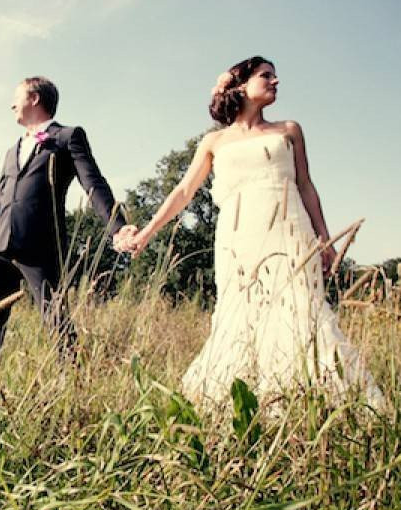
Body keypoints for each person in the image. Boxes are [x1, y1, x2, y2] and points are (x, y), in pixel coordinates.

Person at [114, 56, 383, 413]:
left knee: (299, 313)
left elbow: (305, 185)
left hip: (289, 232)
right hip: (238, 238)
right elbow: (183, 192)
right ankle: (239, 406)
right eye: (266, 75)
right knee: (240, 317)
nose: (275, 81)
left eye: (274, 76)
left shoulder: (289, 130)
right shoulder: (214, 141)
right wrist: (146, 233)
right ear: (240, 86)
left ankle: (311, 404)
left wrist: (326, 240)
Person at [0, 76, 136, 353]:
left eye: (17, 97)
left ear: (35, 98)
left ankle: (73, 376)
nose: (11, 104)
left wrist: (117, 227)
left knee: (55, 317)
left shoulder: (67, 136)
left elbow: (93, 183)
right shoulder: (9, 152)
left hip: (40, 245)